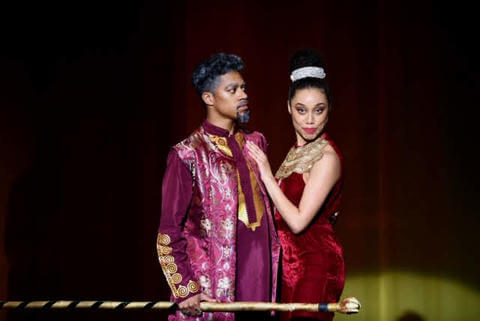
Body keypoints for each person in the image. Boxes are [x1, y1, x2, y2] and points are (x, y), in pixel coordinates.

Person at [156, 53, 280, 321]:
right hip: (213, 286)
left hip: (261, 277)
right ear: (209, 98)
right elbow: (168, 232)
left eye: (244, 87)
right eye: (232, 90)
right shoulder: (187, 155)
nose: (243, 95)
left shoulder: (256, 144)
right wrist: (184, 289)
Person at [247, 49, 359, 321]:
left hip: (316, 264)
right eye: (301, 110)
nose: (310, 120)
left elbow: (298, 222)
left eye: (318, 110)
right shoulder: (295, 152)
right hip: (289, 267)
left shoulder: (327, 157)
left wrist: (265, 173)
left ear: (329, 108)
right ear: (288, 108)